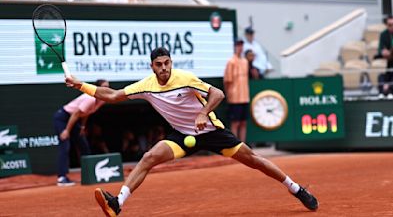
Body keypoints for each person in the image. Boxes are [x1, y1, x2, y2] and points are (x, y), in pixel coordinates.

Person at [65, 47, 318, 216]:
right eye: (158, 64)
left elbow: (217, 93)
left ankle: (296, 188)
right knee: (148, 158)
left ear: (171, 63)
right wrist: (81, 85)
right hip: (181, 136)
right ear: (152, 67)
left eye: (166, 63)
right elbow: (112, 95)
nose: (163, 68)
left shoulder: (184, 78)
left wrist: (202, 113)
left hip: (210, 130)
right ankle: (117, 203)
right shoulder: (146, 85)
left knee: (254, 160)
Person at [54, 79, 109, 186]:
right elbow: (75, 114)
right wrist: (67, 130)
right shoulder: (90, 99)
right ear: (97, 88)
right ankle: (62, 177)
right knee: (65, 146)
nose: (107, 89)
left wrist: (83, 126)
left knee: (84, 146)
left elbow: (87, 112)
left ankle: (88, 174)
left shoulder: (102, 100)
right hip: (63, 118)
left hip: (75, 120)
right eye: (104, 87)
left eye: (108, 86)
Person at [224, 39, 250, 143]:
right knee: (235, 123)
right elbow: (227, 81)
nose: (240, 48)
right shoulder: (231, 62)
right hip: (234, 98)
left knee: (243, 122)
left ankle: (243, 145)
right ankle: (235, 145)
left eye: (241, 45)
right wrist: (228, 95)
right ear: (235, 47)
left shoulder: (245, 62)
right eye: (238, 45)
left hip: (245, 97)